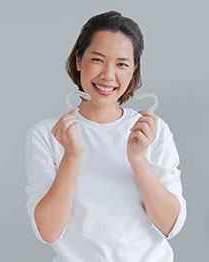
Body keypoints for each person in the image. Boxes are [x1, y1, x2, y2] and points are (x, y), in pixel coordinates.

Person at [25, 10, 187, 262]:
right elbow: (48, 232)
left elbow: (170, 226)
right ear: (79, 60)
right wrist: (72, 155)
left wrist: (137, 158)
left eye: (122, 64)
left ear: (134, 69)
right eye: (98, 59)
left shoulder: (152, 131)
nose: (108, 75)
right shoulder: (48, 134)